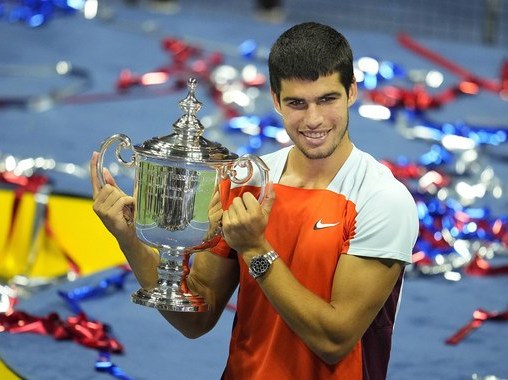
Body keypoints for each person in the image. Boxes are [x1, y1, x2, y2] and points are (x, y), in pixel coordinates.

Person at [91, 21, 419, 380]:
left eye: (327, 99)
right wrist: (129, 239)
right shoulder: (245, 180)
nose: (313, 120)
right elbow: (197, 318)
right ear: (276, 101)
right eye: (296, 103)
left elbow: (333, 338)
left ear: (352, 91)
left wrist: (255, 249)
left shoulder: (382, 200)